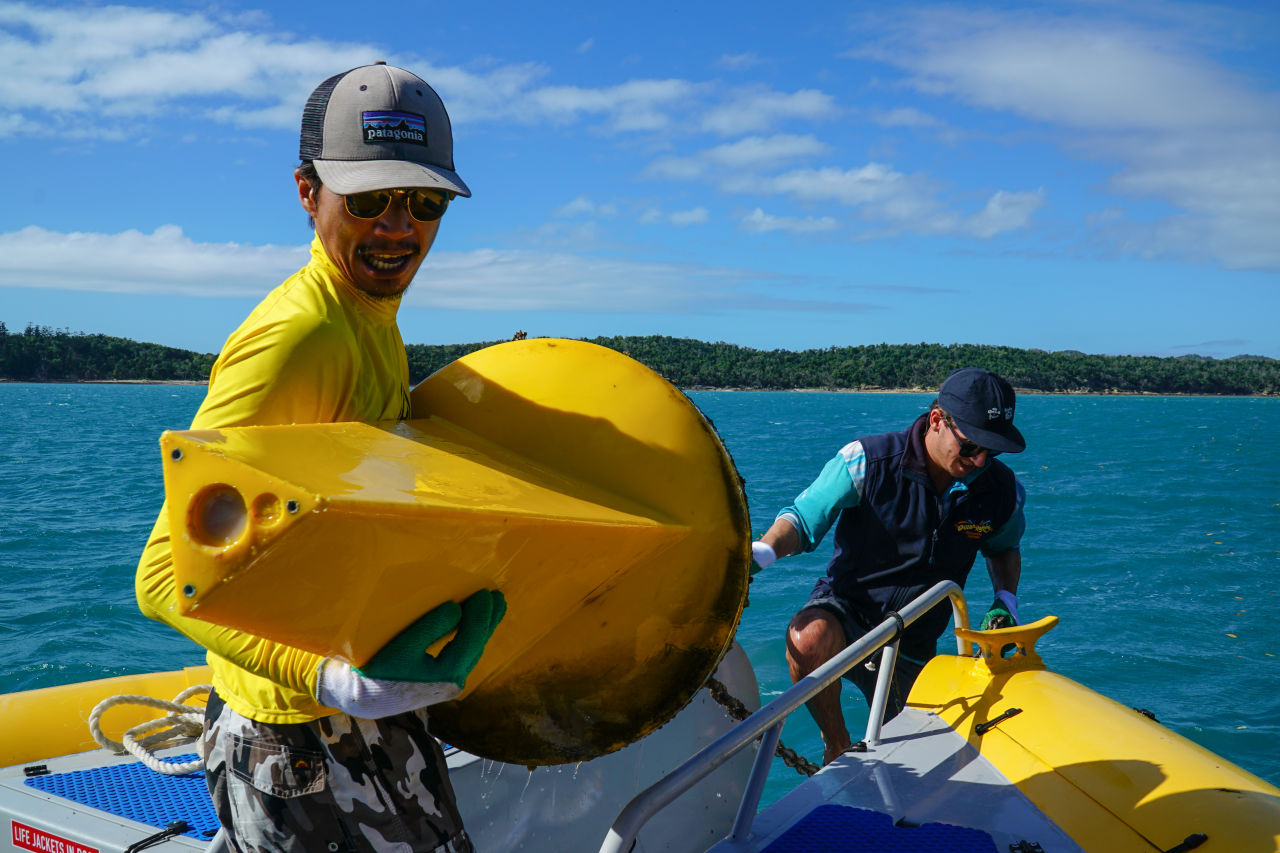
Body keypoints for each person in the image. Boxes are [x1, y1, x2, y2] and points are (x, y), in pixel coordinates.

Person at [135, 62, 502, 852]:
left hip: (361, 711)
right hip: (292, 737)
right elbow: (165, 576)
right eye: (369, 200)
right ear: (308, 192)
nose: (398, 227)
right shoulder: (298, 338)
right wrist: (331, 679)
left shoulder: (373, 320)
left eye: (426, 202)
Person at [750, 367, 1027, 765]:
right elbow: (803, 518)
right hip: (848, 612)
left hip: (916, 640)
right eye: (970, 446)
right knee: (807, 638)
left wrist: (1005, 600)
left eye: (992, 450)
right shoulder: (867, 461)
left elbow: (1003, 547)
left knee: (916, 758)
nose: (980, 460)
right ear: (937, 421)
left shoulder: (1000, 490)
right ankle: (836, 742)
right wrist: (764, 552)